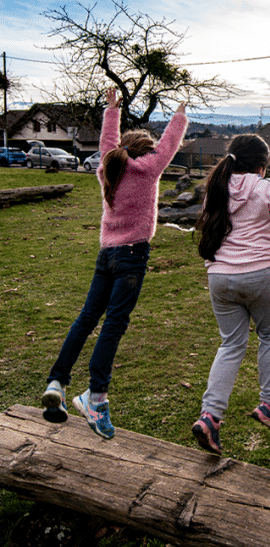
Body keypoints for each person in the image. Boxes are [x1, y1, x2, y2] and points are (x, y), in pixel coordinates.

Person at [42, 88, 188, 439]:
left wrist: (112, 108)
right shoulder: (148, 169)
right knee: (114, 324)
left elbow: (107, 141)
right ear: (146, 152)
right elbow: (168, 144)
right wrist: (180, 114)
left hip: (106, 254)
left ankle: (57, 381)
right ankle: (96, 398)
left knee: (87, 318)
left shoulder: (108, 166)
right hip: (132, 255)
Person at [192, 134, 270, 455]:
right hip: (259, 274)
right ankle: (269, 406)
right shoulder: (265, 187)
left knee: (231, 344)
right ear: (262, 165)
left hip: (219, 277)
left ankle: (210, 416)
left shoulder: (216, 188)